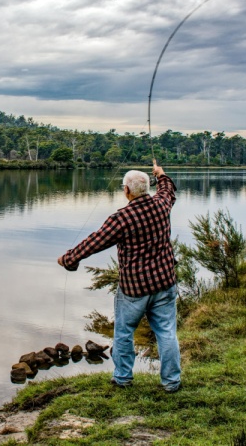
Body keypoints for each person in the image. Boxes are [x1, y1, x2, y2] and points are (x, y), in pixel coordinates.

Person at [57, 160, 181, 393]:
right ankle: (171, 382)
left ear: (126, 191)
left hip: (134, 289)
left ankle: (123, 378)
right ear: (145, 189)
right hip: (165, 283)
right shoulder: (162, 205)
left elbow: (95, 242)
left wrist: (69, 258)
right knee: (167, 333)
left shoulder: (122, 218)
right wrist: (161, 174)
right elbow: (168, 191)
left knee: (124, 333)